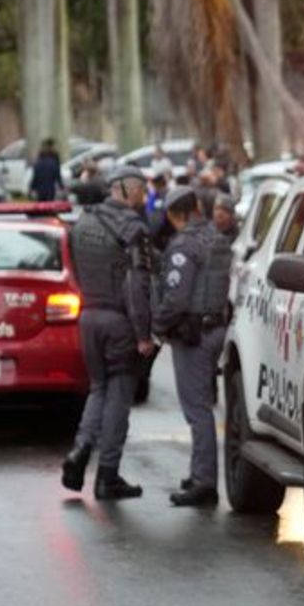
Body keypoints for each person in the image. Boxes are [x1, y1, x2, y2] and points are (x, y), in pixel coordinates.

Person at [61, 165, 154, 500]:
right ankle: (107, 474)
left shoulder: (82, 223)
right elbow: (137, 285)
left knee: (97, 390)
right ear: (125, 189)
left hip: (88, 317)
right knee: (118, 398)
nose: (144, 197)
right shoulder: (133, 228)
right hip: (119, 322)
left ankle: (80, 449)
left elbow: (72, 267)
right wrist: (144, 333)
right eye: (141, 190)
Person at [153, 187, 232, 507]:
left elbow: (176, 298)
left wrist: (156, 326)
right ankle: (200, 471)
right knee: (205, 406)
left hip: (194, 335)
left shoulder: (184, 246)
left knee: (197, 410)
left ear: (175, 215)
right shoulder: (218, 238)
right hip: (217, 328)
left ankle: (204, 482)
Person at [29, 138, 64, 202]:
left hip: (40, 189)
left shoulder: (38, 164)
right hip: (50, 188)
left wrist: (31, 189)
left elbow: (35, 177)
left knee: (41, 207)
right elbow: (57, 175)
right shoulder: (54, 160)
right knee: (49, 206)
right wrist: (62, 187)